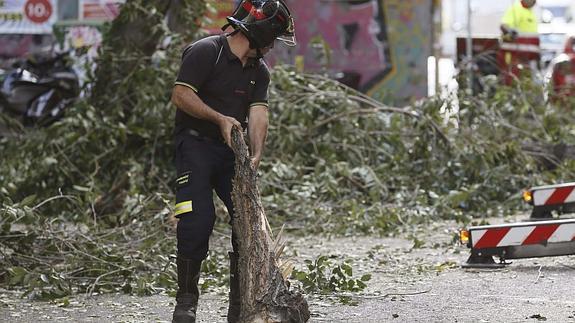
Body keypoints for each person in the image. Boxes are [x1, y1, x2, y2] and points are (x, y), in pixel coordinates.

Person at [169, 1, 296, 322]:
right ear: (261, 32)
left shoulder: (259, 71)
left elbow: (258, 113)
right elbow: (181, 95)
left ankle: (240, 308)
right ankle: (186, 302)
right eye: (272, 38)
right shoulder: (205, 51)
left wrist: (255, 155)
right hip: (194, 147)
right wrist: (219, 118)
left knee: (246, 224)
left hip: (231, 156)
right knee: (197, 221)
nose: (271, 46)